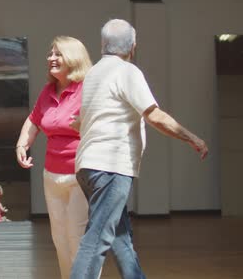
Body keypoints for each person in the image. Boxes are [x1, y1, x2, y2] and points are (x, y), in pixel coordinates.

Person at [70, 19, 208, 279]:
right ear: (132, 47)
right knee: (96, 239)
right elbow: (154, 116)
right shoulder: (127, 72)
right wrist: (192, 138)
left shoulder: (94, 74)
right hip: (110, 169)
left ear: (103, 45)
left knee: (120, 238)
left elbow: (82, 120)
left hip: (88, 167)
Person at [16, 36, 92, 279]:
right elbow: (34, 119)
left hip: (81, 174)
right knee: (60, 239)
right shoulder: (48, 91)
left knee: (77, 238)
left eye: (57, 54)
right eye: (50, 54)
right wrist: (22, 143)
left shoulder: (88, 89)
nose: (50, 58)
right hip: (52, 175)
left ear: (73, 58)